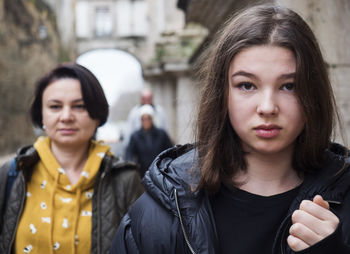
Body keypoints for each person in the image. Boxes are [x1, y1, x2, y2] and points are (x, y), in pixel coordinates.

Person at [110, 4, 350, 254]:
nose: (267, 107)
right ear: (222, 94)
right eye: (247, 85)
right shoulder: (159, 216)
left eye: (289, 86)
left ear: (313, 93)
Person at [0, 63, 144, 254]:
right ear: (41, 114)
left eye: (79, 106)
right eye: (55, 106)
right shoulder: (14, 172)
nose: (66, 116)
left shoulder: (124, 179)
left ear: (97, 115)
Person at [125, 105, 173, 178]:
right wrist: (132, 167)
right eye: (143, 119)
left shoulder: (161, 134)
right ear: (141, 120)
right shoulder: (135, 136)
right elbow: (129, 153)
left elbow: (170, 150)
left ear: (152, 119)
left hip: (159, 172)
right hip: (142, 173)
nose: (146, 121)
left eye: (148, 118)